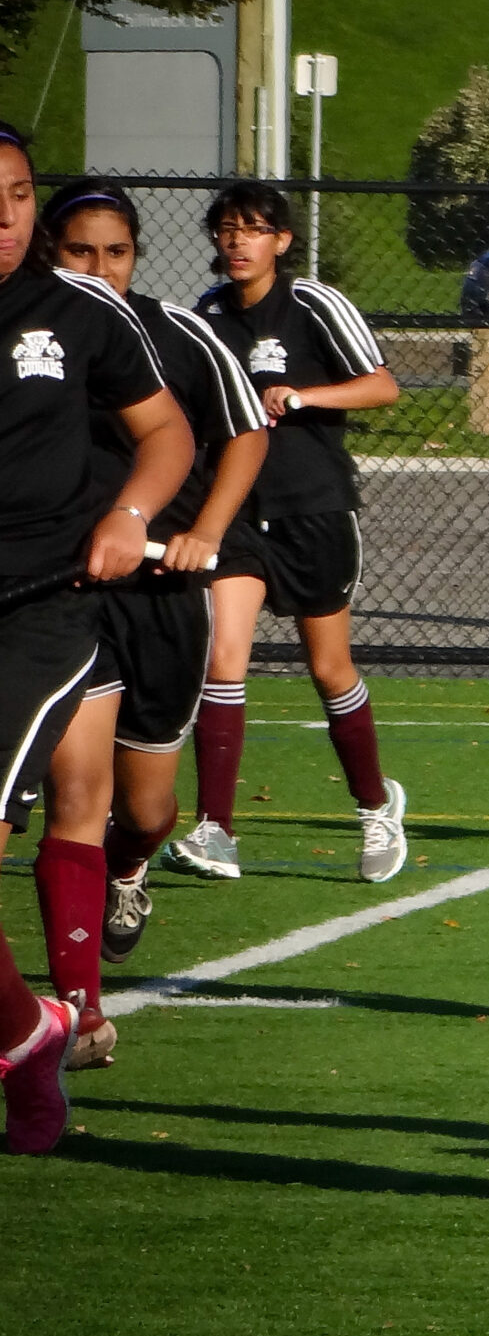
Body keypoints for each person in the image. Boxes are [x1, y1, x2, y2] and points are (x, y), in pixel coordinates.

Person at [34, 182, 267, 1067]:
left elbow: (243, 432)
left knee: (147, 810)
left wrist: (203, 532)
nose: (98, 270)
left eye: (116, 253)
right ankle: (80, 1014)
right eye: (80, 252)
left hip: (164, 597)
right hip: (63, 597)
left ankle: (131, 872)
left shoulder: (175, 334)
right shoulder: (30, 336)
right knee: (76, 798)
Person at [0, 125, 192, 1152]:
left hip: (40, 611)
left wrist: (131, 517)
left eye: (21, 195)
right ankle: (30, 1030)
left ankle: (57, 1010)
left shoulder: (80, 316)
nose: (5, 217)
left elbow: (170, 433)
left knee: (102, 805)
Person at [168, 180, 406, 886]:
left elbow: (383, 385)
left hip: (314, 510)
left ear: (282, 240)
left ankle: (374, 805)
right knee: (223, 659)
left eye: (253, 229)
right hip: (237, 513)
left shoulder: (312, 304)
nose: (237, 241)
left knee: (329, 670)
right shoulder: (206, 315)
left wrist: (304, 396)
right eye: (227, 229)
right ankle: (217, 829)